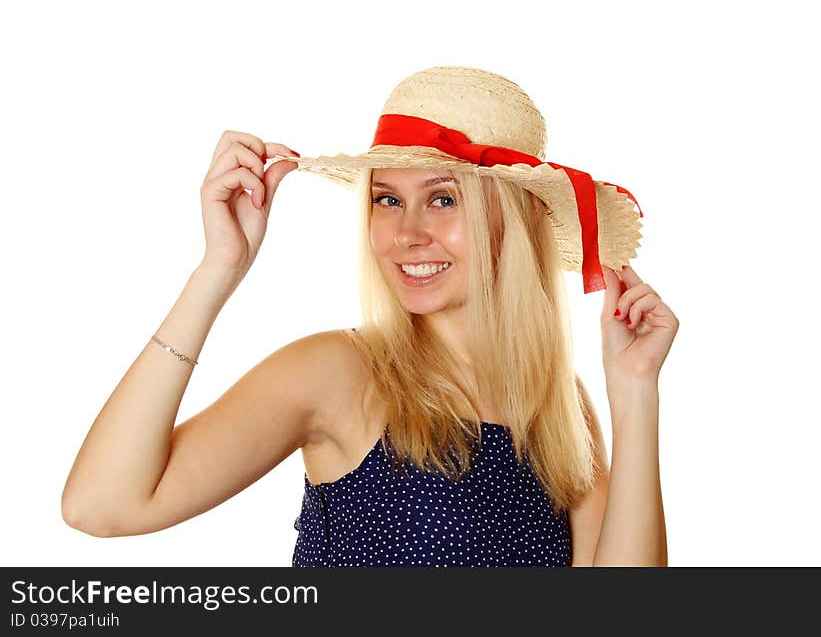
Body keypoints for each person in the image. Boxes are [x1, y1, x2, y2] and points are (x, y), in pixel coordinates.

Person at [62, 67, 679, 567]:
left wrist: (634, 395)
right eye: (388, 200)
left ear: (513, 221)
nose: (407, 234)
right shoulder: (341, 373)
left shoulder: (558, 407)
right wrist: (217, 271)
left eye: (443, 199)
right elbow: (102, 505)